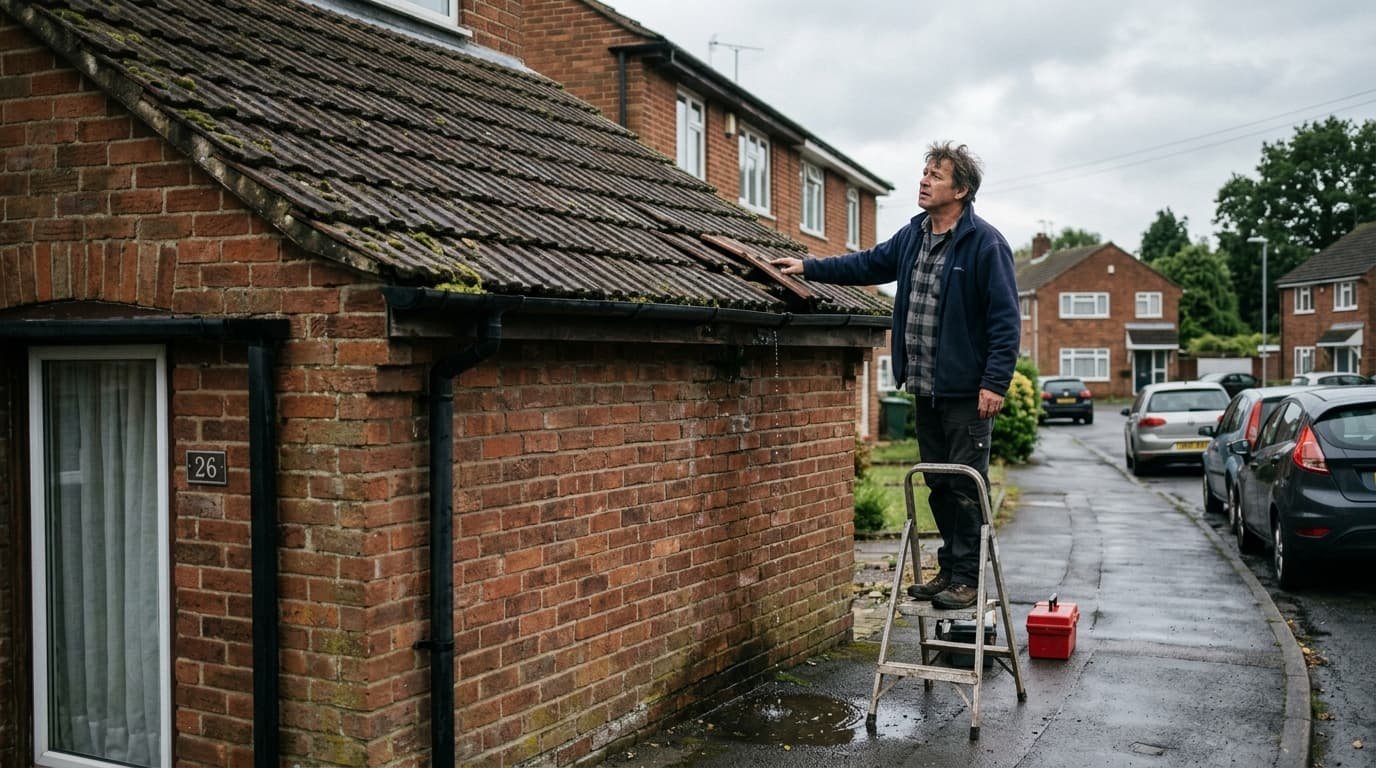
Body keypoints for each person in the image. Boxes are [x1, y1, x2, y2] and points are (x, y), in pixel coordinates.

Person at [772, 142, 1019, 610]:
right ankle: (949, 570)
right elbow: (865, 263)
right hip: (924, 389)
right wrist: (807, 266)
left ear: (961, 189)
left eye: (936, 175)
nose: (924, 180)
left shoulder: (986, 244)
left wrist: (994, 383)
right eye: (923, 172)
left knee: (966, 486)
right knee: (939, 485)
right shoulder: (912, 236)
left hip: (968, 394)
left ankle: (968, 577)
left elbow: (1005, 321)